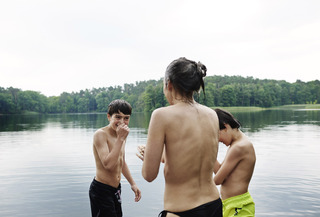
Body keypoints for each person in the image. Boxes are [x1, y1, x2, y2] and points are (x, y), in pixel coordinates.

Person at [137, 57, 222, 217]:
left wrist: (148, 156)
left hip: (182, 210)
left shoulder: (161, 115)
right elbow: (192, 157)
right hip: (214, 205)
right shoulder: (212, 115)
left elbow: (149, 175)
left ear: (168, 84)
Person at [89, 99, 141, 217]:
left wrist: (132, 184)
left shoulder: (121, 135)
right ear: (109, 117)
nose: (122, 121)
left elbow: (121, 161)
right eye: (118, 117)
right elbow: (108, 165)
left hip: (116, 189)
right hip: (101, 190)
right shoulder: (100, 134)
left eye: (126, 118)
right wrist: (120, 139)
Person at [213, 108, 256, 217]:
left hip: (239, 206)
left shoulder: (240, 147)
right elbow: (220, 171)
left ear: (225, 127)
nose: (217, 140)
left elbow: (218, 180)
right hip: (231, 204)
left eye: (217, 135)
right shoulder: (236, 145)